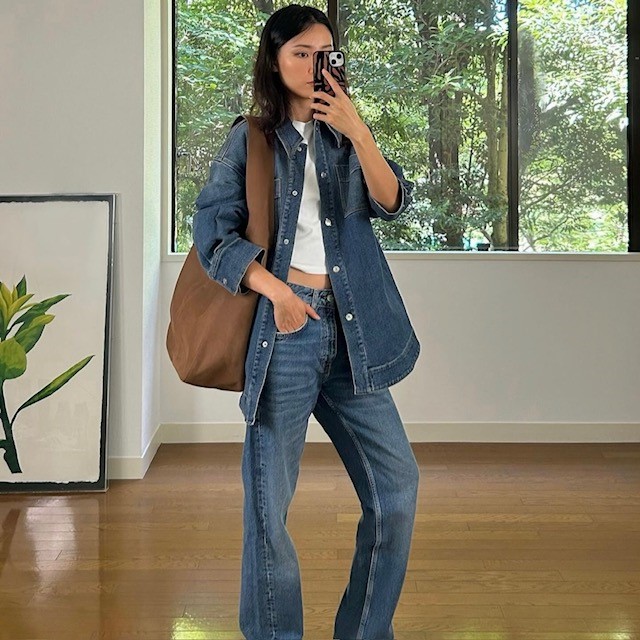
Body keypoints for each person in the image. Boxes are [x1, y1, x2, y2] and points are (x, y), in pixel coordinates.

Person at [193, 5, 421, 639]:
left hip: (353, 336)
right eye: (301, 52)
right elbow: (213, 230)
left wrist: (360, 129)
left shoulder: (346, 133)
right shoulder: (252, 138)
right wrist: (277, 292)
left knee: (397, 487)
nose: (315, 64)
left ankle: (364, 632)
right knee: (269, 510)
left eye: (326, 53)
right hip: (286, 333)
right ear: (275, 59)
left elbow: (391, 202)